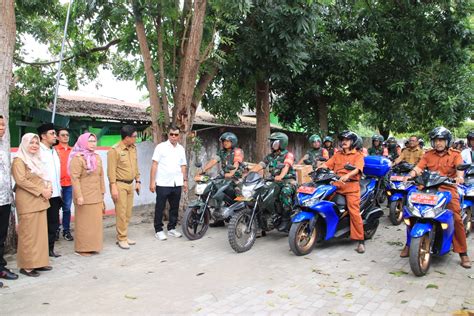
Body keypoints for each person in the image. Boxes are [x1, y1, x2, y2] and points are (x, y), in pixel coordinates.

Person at [401, 127, 471, 269]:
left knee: (456, 218)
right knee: (412, 213)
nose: (438, 143)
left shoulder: (455, 154)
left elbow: (460, 169)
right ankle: (409, 244)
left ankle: (463, 253)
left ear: (447, 141)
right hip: (427, 188)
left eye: (441, 140)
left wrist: (459, 177)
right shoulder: (428, 154)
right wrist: (410, 175)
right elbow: (419, 168)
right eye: (436, 140)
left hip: (447, 189)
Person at [11, 133, 52, 277]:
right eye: (31, 143)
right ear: (24, 144)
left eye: (36, 142)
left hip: (40, 201)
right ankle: (27, 265)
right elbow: (21, 181)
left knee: (39, 234)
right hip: (28, 201)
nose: (34, 145)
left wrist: (49, 188)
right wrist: (42, 191)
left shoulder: (37, 159)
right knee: (28, 234)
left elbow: (44, 177)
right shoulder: (19, 160)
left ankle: (39, 262)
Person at [319, 130, 366, 254]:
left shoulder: (358, 155)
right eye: (342, 139)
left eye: (347, 139)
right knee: (322, 203)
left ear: (353, 142)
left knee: (354, 211)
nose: (344, 141)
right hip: (336, 186)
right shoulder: (337, 154)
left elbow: (357, 169)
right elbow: (327, 165)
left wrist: (347, 175)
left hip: (351, 187)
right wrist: (318, 169)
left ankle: (360, 241)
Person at [195, 132, 244, 227]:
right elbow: (214, 160)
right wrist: (203, 170)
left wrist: (231, 173)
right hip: (224, 176)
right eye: (223, 141)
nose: (225, 143)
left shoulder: (238, 151)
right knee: (212, 187)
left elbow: (236, 163)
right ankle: (218, 218)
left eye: (227, 141)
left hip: (236, 177)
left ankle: (243, 217)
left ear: (233, 142)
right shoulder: (221, 152)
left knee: (240, 195)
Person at [250, 132, 296, 232]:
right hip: (273, 180)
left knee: (285, 192)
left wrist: (280, 176)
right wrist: (249, 173)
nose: (272, 144)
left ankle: (286, 218)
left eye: (274, 142)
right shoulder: (270, 156)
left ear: (282, 143)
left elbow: (286, 166)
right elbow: (261, 165)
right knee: (259, 191)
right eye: (271, 142)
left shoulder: (288, 155)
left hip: (288, 180)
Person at [69, 133, 105, 256]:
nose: (93, 144)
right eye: (90, 141)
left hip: (96, 195)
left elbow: (101, 176)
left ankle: (92, 246)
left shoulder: (97, 157)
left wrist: (102, 192)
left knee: (94, 224)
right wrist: (79, 196)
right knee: (84, 224)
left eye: (94, 141)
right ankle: (81, 248)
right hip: (83, 197)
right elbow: (74, 178)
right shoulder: (77, 158)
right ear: (83, 142)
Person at [150, 125, 187, 241]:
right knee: (160, 207)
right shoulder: (160, 147)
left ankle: (171, 228)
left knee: (174, 207)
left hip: (177, 183)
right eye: (171, 134)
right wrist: (152, 182)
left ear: (179, 136)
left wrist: (184, 181)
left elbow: (183, 165)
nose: (174, 137)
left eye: (176, 134)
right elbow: (154, 164)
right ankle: (158, 230)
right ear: (168, 134)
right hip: (162, 183)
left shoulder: (181, 149)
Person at [107, 125, 141, 250]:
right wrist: (113, 187)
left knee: (127, 213)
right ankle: (121, 238)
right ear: (127, 138)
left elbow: (135, 166)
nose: (136, 139)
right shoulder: (114, 150)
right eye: (134, 137)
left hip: (130, 184)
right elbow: (111, 171)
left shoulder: (133, 148)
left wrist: (138, 180)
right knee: (121, 213)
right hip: (119, 184)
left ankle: (124, 236)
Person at [37, 123, 62, 258]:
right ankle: (41, 251)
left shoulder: (54, 151)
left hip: (56, 193)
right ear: (43, 136)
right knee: (42, 224)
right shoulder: (38, 151)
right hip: (44, 194)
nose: (55, 136)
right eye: (52, 133)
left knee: (53, 223)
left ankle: (50, 249)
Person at [0, 115, 18, 282]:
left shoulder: (3, 148)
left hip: (4, 199)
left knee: (1, 236)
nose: (2, 128)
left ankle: (0, 267)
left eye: (3, 125)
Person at [55, 128, 73, 241]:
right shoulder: (54, 150)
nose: (65, 137)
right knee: (55, 208)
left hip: (69, 183)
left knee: (67, 208)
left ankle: (66, 230)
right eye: (63, 135)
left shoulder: (73, 151)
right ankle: (56, 229)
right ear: (57, 137)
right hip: (57, 183)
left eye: (67, 135)